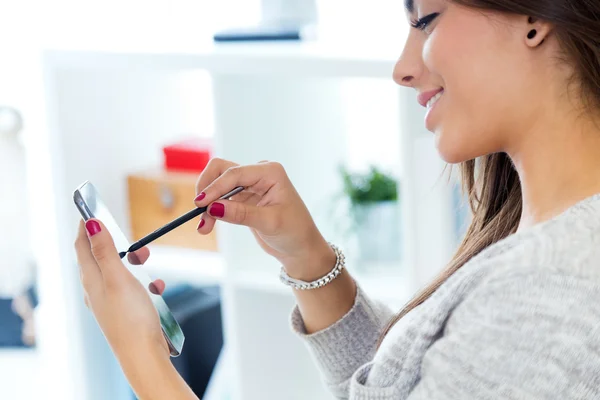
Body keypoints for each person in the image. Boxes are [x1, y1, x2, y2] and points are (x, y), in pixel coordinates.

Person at [74, 0, 600, 398]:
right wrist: (306, 257)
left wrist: (140, 354)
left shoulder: (549, 291)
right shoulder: (543, 246)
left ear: (534, 15)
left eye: (428, 20)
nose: (403, 68)